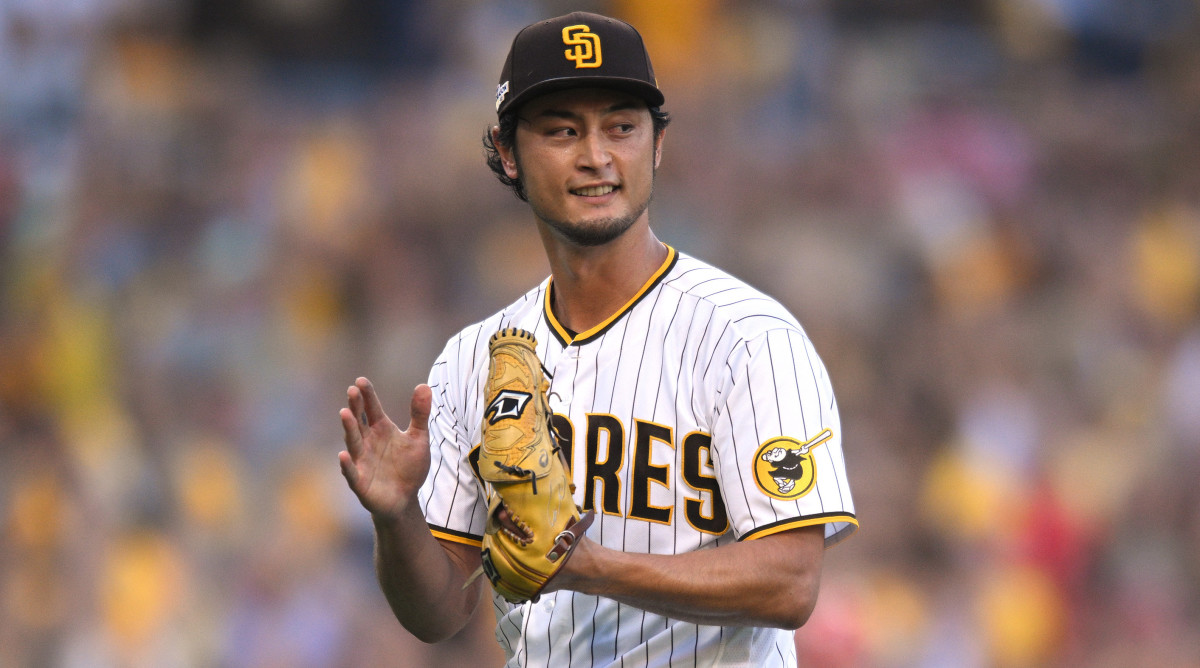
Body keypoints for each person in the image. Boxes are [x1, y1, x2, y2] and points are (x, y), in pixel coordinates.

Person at [338, 11, 857, 666]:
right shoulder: (471, 359)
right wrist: (396, 517)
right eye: (562, 130)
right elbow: (439, 613)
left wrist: (590, 566)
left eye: (621, 126)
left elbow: (791, 581)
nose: (596, 155)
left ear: (657, 145)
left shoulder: (750, 338)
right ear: (507, 152)